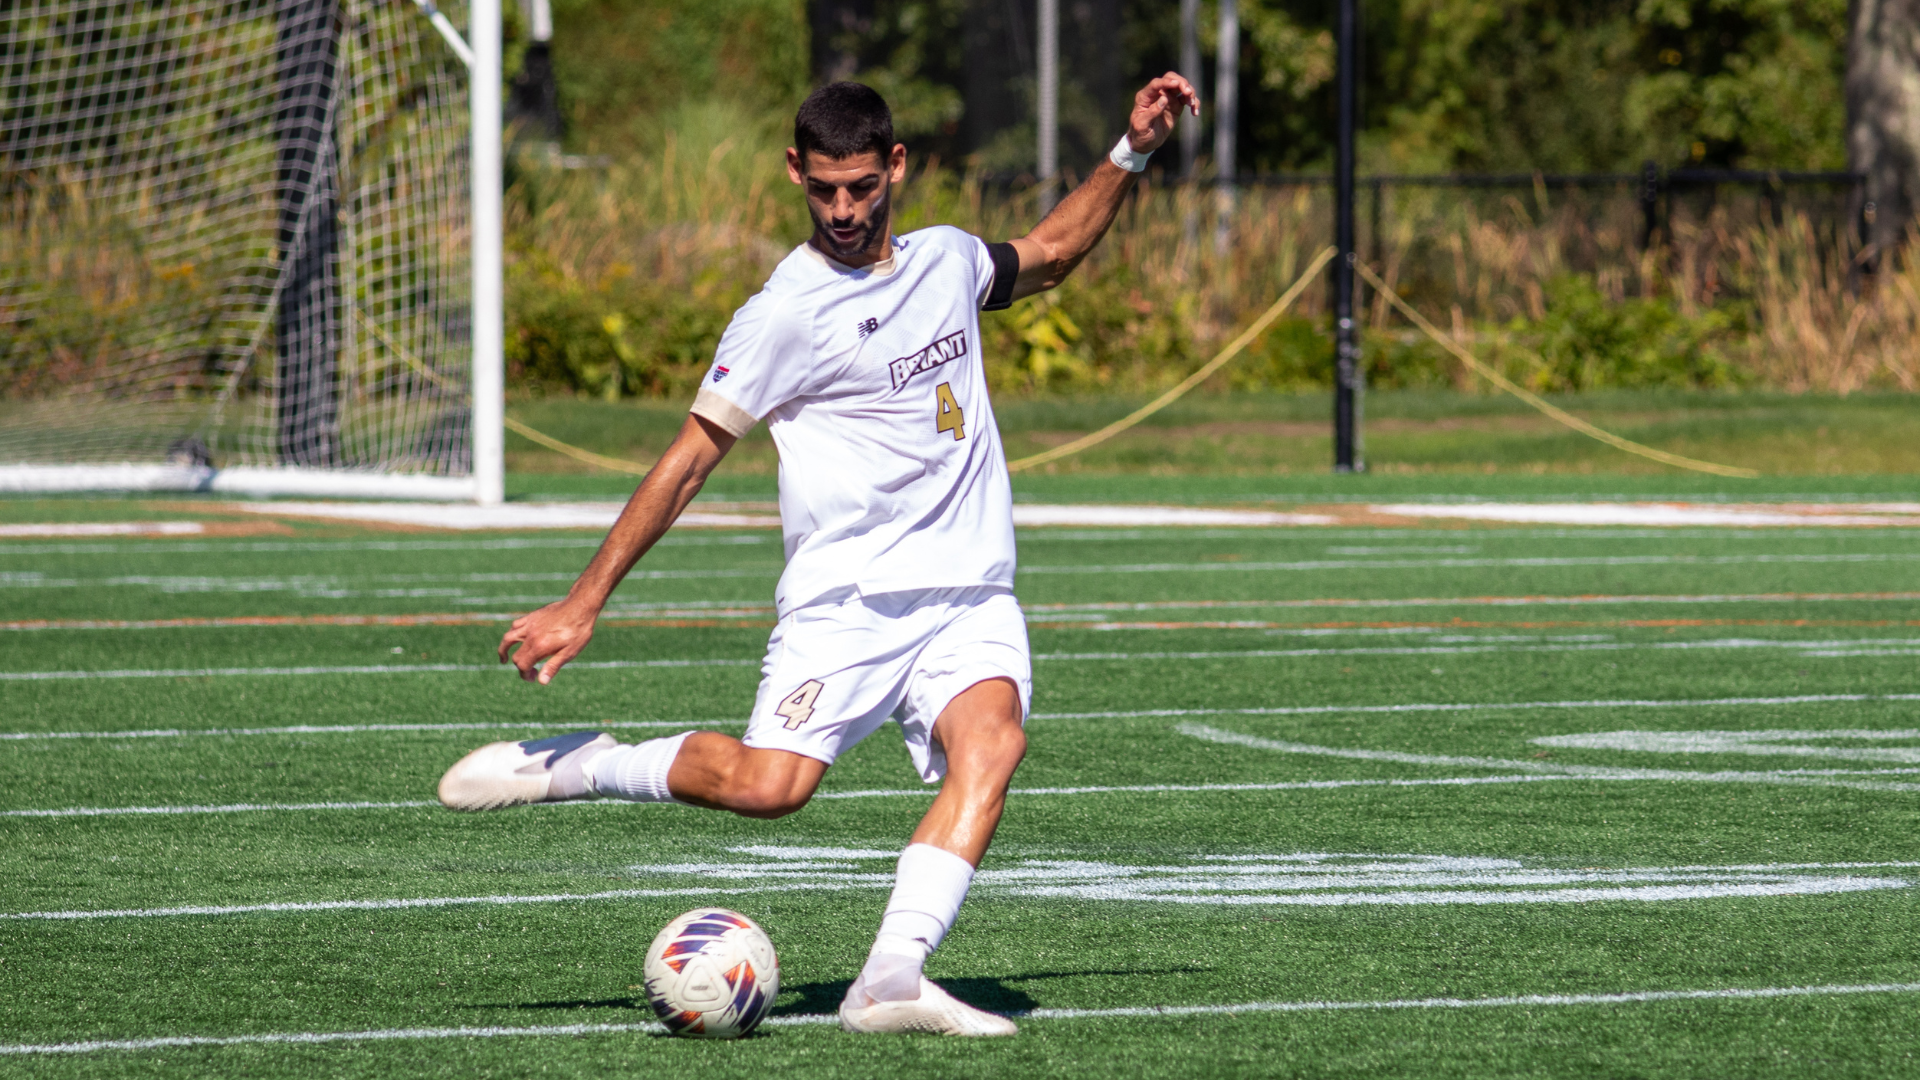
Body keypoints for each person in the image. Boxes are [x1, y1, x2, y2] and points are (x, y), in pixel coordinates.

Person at [438, 74, 1200, 1036]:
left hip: (967, 594)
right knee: (770, 789)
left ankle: (890, 977)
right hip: (847, 602)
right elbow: (687, 462)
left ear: (896, 167)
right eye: (823, 190)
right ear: (797, 172)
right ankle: (590, 764)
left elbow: (1048, 254)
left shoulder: (949, 260)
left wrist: (1130, 151)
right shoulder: (783, 313)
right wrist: (584, 601)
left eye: (862, 189)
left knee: (993, 745)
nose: (843, 211)